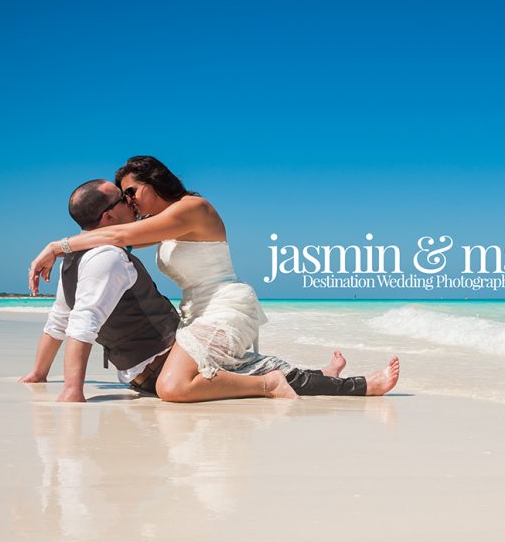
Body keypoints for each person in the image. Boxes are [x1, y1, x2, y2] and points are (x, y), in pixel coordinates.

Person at [28, 162, 400, 402]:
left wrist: (55, 246)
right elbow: (111, 235)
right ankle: (325, 377)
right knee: (230, 373)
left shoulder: (192, 209)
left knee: (174, 387)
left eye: (132, 191)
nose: (131, 200)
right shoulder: (159, 225)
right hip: (195, 312)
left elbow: (114, 236)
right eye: (123, 195)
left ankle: (364, 385)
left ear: (154, 183)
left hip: (225, 305)